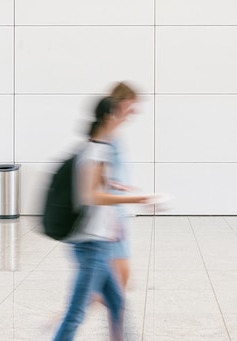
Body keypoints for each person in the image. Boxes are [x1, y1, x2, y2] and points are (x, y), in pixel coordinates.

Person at [54, 97, 149, 341]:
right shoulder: (97, 150)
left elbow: (91, 184)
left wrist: (116, 185)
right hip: (91, 245)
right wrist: (134, 200)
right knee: (75, 315)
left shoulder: (91, 147)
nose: (122, 121)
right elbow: (90, 195)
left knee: (117, 304)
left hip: (99, 245)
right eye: (119, 115)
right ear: (108, 117)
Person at [107, 82, 139, 290]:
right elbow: (92, 171)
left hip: (116, 212)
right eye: (130, 105)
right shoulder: (107, 133)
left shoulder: (114, 133)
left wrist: (121, 186)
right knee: (119, 280)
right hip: (110, 215)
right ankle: (59, 320)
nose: (134, 111)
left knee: (118, 280)